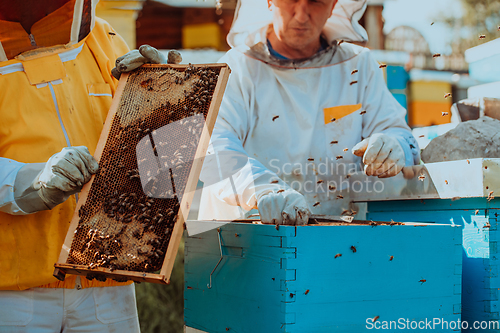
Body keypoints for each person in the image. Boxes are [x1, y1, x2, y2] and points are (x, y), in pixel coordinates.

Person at [0, 1, 175, 331]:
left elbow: (153, 163)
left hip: (108, 282)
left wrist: (163, 99)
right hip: (15, 292)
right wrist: (30, 182)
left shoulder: (103, 37)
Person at [197, 0, 420, 225]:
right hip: (243, 243)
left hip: (341, 239)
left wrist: (394, 145)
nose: (302, 15)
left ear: (333, 5)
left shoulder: (358, 65)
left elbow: (398, 133)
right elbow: (214, 147)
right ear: (269, 1)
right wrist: (262, 188)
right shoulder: (237, 68)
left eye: (316, 1)